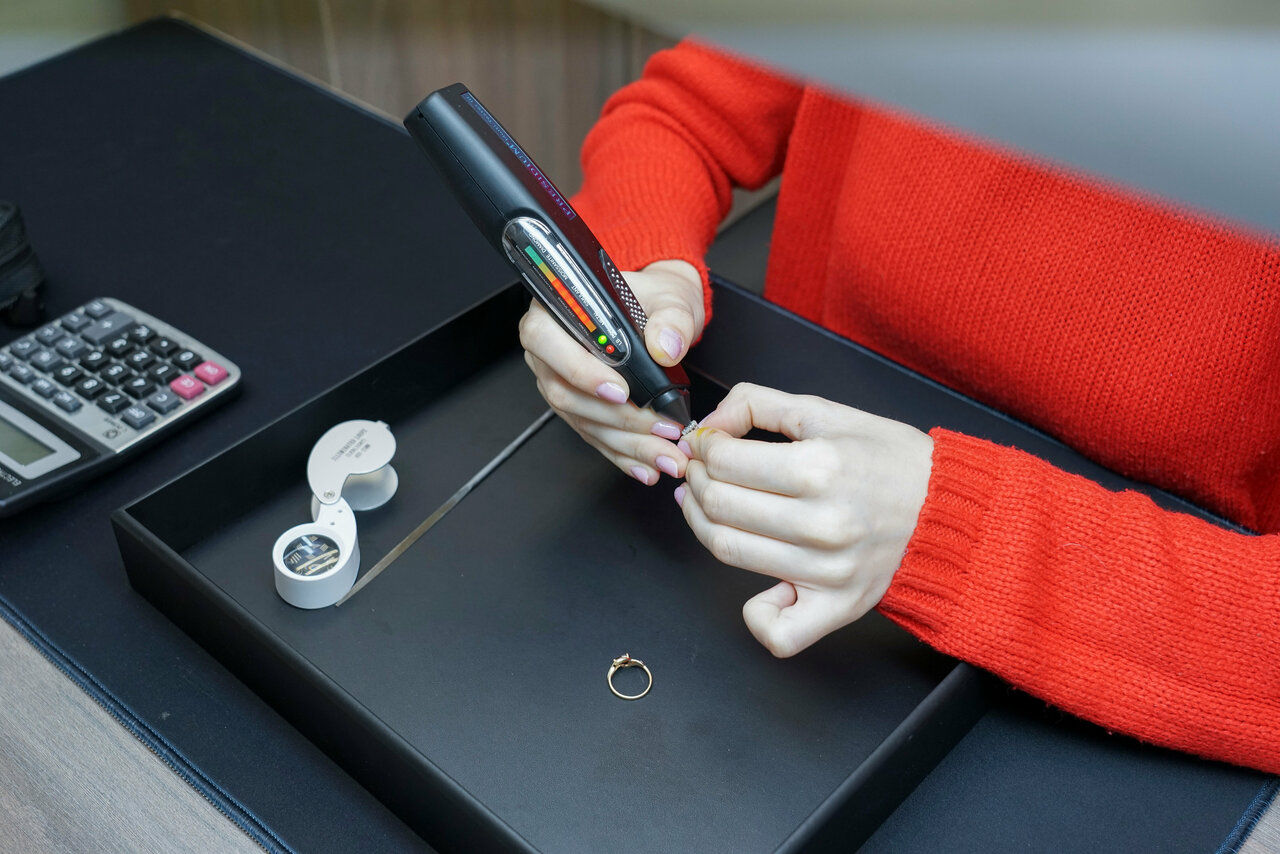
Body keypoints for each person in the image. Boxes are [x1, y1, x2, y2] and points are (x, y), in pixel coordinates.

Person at [517, 38, 1280, 774]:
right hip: (768, 568)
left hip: (1126, 685)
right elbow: (680, 113)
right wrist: (638, 277)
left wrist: (953, 531)